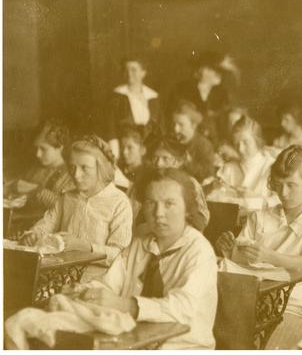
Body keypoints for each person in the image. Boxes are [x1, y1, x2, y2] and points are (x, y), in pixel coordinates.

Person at [71, 168, 218, 349]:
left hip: (183, 347)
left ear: (188, 209)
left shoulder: (199, 251)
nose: (158, 213)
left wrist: (125, 305)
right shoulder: (140, 242)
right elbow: (109, 284)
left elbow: (182, 309)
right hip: (134, 341)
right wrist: (84, 291)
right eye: (150, 203)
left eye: (169, 204)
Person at [216, 145, 302, 349]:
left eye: (292, 185)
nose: (283, 193)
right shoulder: (260, 216)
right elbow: (242, 262)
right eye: (279, 184)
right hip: (253, 299)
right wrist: (230, 251)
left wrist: (268, 256)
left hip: (297, 306)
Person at [21, 135, 133, 281]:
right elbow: (46, 224)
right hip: (57, 275)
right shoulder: (67, 197)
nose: (76, 175)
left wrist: (86, 246)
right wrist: (33, 235)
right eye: (72, 167)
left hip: (96, 280)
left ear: (101, 168)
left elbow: (118, 256)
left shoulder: (119, 203)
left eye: (84, 168)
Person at [130, 135, 210, 234]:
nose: (159, 164)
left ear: (179, 161)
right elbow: (131, 215)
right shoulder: (144, 182)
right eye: (155, 158)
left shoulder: (190, 183)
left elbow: (200, 221)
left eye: (165, 158)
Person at [205, 115, 278, 215]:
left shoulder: (271, 166)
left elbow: (280, 202)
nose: (240, 149)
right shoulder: (229, 168)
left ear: (257, 140)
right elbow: (213, 198)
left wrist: (254, 198)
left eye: (245, 142)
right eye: (237, 144)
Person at [4, 119, 75, 220]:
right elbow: (17, 190)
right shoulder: (35, 170)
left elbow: (66, 207)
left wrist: (35, 189)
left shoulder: (70, 176)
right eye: (36, 148)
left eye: (43, 149)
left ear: (60, 147)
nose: (38, 154)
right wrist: (12, 191)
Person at [107, 56, 162, 160]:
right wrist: (115, 153)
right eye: (126, 70)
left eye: (134, 70)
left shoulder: (153, 96)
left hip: (150, 148)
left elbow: (159, 126)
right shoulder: (117, 95)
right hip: (124, 148)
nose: (129, 74)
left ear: (143, 72)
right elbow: (110, 127)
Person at [170, 53, 232, 144]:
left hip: (215, 140)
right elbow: (177, 114)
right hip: (185, 137)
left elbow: (223, 122)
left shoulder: (222, 94)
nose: (218, 74)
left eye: (219, 71)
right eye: (204, 68)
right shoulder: (183, 89)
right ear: (199, 70)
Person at [172, 100, 216, 183]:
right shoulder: (171, 141)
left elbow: (208, 176)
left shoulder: (204, 145)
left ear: (193, 125)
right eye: (174, 124)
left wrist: (190, 163)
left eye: (181, 125)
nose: (175, 129)